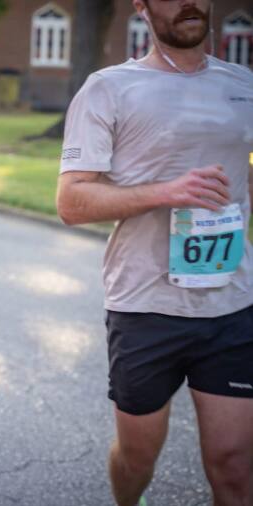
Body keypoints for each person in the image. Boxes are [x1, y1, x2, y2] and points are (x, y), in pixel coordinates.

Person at [56, 1, 253, 505]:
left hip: (232, 303)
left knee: (234, 465)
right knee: (137, 457)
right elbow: (72, 202)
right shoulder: (108, 88)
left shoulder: (243, 84)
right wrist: (168, 192)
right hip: (145, 305)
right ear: (141, 7)